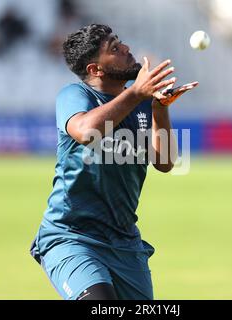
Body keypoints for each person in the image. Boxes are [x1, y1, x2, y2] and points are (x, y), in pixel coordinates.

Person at [30, 24, 198, 300]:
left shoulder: (142, 103)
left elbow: (165, 162)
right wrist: (136, 94)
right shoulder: (76, 96)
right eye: (115, 49)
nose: (126, 49)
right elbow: (85, 131)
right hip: (72, 236)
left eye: (121, 42)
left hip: (124, 242)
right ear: (96, 70)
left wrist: (159, 108)